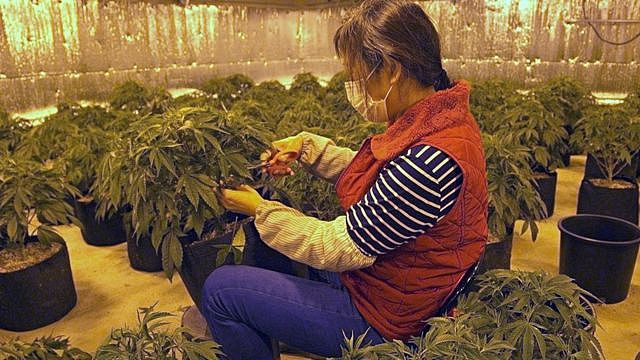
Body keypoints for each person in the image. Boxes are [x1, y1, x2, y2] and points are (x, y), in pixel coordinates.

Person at [202, 0, 488, 358]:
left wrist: (259, 208)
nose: (356, 87)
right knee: (272, 242)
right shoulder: (444, 122)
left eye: (358, 75)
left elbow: (335, 246)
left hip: (387, 320)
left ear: (391, 70)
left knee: (221, 290)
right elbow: (385, 181)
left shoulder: (430, 162)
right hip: (393, 285)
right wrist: (308, 149)